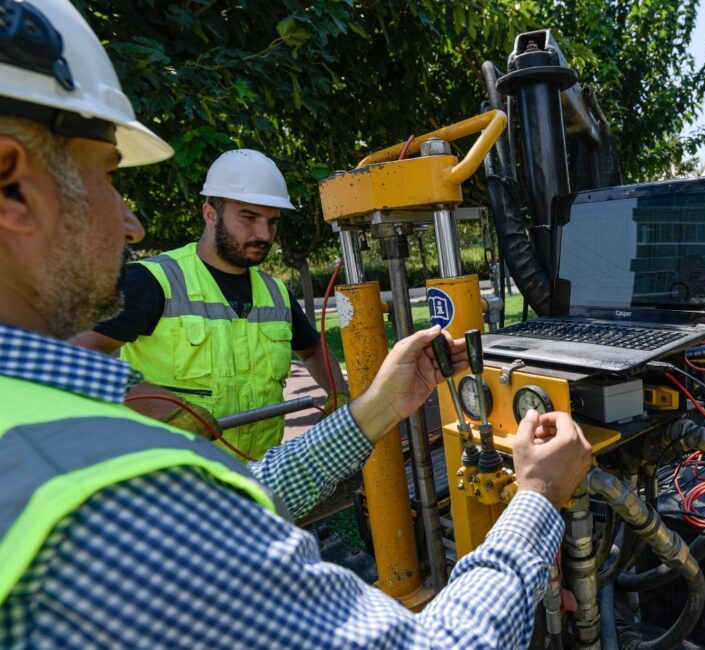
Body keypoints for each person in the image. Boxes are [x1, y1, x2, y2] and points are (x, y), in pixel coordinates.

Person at [0, 1, 593, 647]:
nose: (130, 222)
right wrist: (537, 498)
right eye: (109, 176)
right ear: (12, 183)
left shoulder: (37, 419)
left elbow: (236, 496)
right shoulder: (118, 490)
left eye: (269, 221)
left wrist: (373, 407)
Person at [70, 148, 348, 460]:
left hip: (259, 475)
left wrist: (339, 393)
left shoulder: (274, 292)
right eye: (249, 217)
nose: (264, 234)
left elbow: (311, 348)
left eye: (272, 221)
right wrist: (158, 406)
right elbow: (75, 356)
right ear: (210, 213)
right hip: (173, 478)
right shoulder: (153, 281)